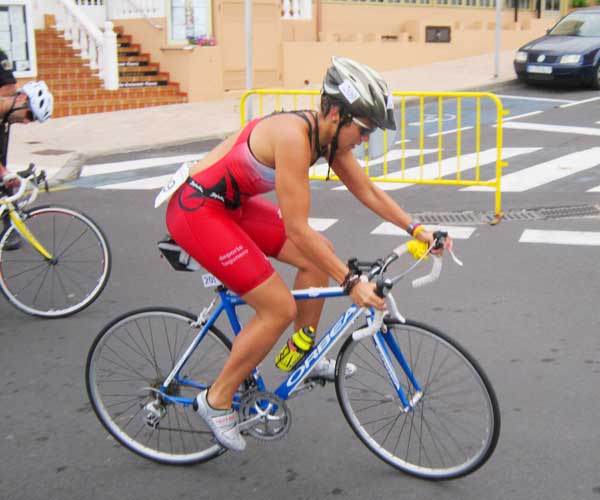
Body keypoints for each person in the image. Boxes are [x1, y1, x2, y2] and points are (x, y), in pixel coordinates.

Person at [164, 56, 452, 452]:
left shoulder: (326, 136)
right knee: (278, 308)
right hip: (199, 211)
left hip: (230, 205)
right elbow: (298, 229)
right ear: (336, 113)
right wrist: (349, 281)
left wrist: (418, 229)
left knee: (321, 254)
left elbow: (367, 191)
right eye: (364, 129)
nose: (365, 140)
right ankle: (216, 400)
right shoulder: (293, 138)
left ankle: (302, 354)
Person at [0, 48, 54, 250]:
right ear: (22, 99)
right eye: (30, 116)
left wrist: (6, 176)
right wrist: (4, 173)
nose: (26, 122)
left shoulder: (4, 120)